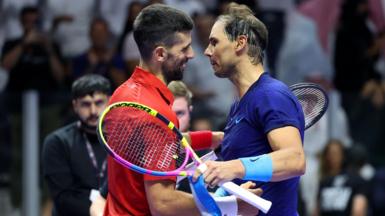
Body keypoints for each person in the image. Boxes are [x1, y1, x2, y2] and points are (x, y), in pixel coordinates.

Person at [104, 4, 261, 215]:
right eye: (184, 48)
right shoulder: (156, 113)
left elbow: (154, 145)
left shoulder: (123, 94)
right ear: (160, 54)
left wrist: (212, 138)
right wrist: (233, 206)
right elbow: (164, 203)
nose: (192, 54)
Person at [194, 3, 306, 216]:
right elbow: (239, 180)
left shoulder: (271, 95)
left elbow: (295, 160)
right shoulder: (239, 104)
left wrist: (233, 166)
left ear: (240, 43)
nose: (207, 52)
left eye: (214, 42)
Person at [42, 74, 111, 216]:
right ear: (75, 106)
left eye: (98, 103)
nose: (93, 111)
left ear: (109, 101)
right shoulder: (57, 142)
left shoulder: (122, 140)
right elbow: (64, 200)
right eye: (86, 104)